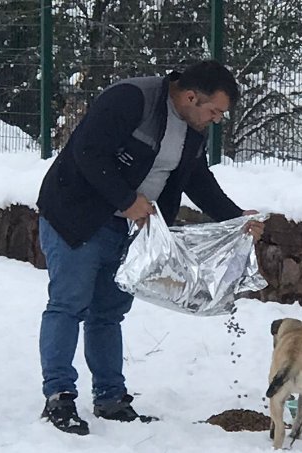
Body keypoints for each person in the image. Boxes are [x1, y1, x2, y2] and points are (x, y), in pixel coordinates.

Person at [35, 60, 265, 435]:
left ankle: (111, 399)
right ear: (191, 96)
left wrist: (234, 218)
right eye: (215, 111)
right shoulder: (132, 99)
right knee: (68, 304)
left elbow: (197, 179)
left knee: (108, 313)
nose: (217, 119)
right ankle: (59, 396)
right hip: (74, 216)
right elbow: (88, 153)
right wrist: (127, 199)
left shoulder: (193, 128)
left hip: (126, 229)